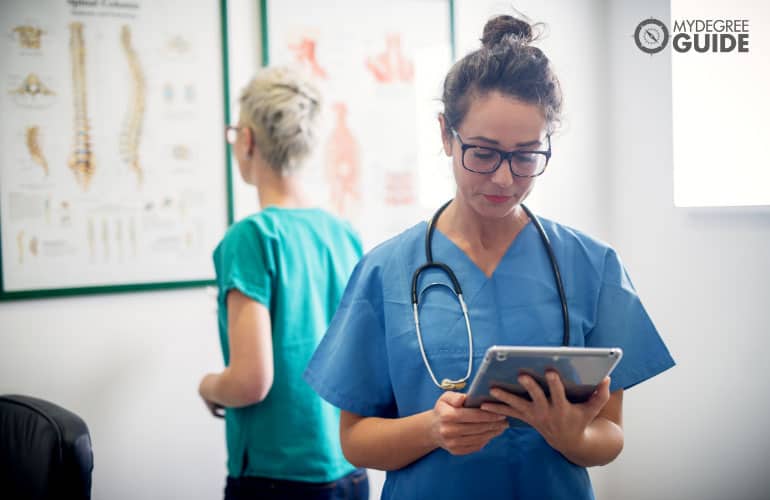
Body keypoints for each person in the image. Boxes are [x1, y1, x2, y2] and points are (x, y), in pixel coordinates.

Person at [303, 14, 675, 500]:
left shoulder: (591, 265)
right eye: (482, 152)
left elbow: (610, 435)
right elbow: (355, 439)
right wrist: (432, 430)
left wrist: (573, 436)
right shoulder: (385, 271)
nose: (504, 179)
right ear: (445, 135)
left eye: (526, 155)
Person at [198, 66, 369, 500]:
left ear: (249, 139)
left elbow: (250, 381)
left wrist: (209, 385)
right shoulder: (343, 233)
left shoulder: (250, 238)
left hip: (278, 478)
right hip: (348, 468)